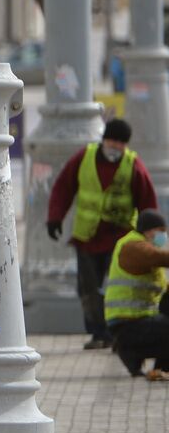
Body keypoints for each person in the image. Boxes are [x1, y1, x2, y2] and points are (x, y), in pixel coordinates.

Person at [47, 118, 158, 349]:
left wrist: (151, 234)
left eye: (121, 143)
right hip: (87, 238)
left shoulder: (132, 164)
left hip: (120, 240)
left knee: (118, 287)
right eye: (112, 141)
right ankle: (98, 333)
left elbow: (147, 201)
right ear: (103, 139)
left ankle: (117, 331)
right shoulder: (83, 158)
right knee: (88, 289)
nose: (115, 147)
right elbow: (63, 187)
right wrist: (55, 217)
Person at [105, 210, 169, 380]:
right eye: (161, 230)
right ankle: (129, 351)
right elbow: (157, 257)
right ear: (148, 230)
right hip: (126, 324)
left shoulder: (144, 248)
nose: (164, 235)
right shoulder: (133, 246)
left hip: (140, 320)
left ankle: (161, 369)